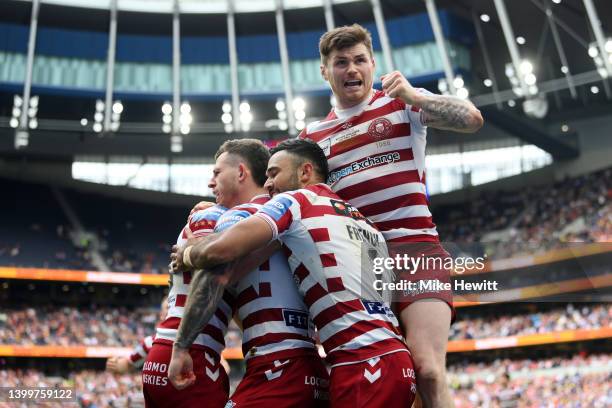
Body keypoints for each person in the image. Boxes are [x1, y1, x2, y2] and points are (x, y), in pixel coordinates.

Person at [299, 24, 484, 408]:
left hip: (415, 246)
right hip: (360, 262)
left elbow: (471, 119)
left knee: (428, 371)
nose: (352, 69)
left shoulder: (401, 104)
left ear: (373, 65)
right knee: (395, 377)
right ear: (324, 71)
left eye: (360, 60)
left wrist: (415, 94)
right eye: (341, 62)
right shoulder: (312, 138)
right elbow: (286, 197)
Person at [171, 139, 417, 408]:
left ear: (305, 172)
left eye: (274, 173)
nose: (268, 185)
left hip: (361, 362)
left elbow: (223, 251)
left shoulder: (297, 201)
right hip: (393, 358)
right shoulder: (366, 223)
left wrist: (187, 253)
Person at [169, 139, 329, 407]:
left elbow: (215, 275)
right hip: (312, 364)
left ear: (242, 173)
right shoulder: (302, 216)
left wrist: (181, 346)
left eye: (217, 173)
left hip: (276, 364)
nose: (211, 183)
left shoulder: (243, 215)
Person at [143, 206, 233, 408]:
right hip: (192, 352)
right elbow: (209, 278)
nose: (212, 182)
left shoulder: (204, 216)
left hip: (160, 352)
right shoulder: (216, 219)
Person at [106, 296, 168, 375]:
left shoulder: (188, 343)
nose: (174, 311)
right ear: (161, 315)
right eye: (168, 307)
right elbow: (128, 364)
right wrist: (115, 365)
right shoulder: (149, 342)